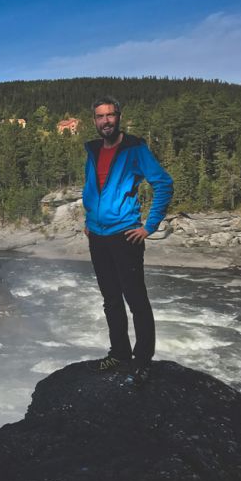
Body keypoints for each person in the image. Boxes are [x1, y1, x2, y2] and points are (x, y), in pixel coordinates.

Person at [82, 97, 173, 383]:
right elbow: (92, 188)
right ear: (94, 120)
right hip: (97, 236)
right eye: (100, 116)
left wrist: (149, 226)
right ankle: (119, 353)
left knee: (136, 300)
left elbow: (163, 183)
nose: (105, 121)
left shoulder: (135, 148)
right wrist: (89, 221)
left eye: (110, 115)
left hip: (125, 235)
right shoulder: (93, 149)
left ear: (119, 117)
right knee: (111, 300)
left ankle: (142, 359)